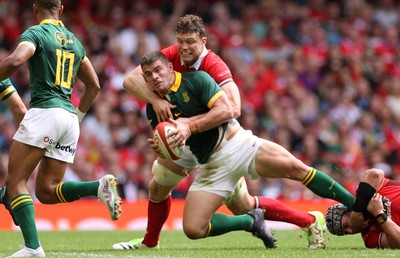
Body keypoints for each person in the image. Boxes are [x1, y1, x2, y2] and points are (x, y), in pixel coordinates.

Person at [113, 14, 329, 250]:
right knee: (160, 185)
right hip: (190, 143)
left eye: (190, 42)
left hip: (220, 139)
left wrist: (188, 125)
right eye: (181, 42)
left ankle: (307, 219)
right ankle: (150, 242)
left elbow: (233, 108)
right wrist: (157, 107)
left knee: (245, 203)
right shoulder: (171, 58)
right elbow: (131, 79)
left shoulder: (210, 67)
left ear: (202, 42)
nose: (184, 48)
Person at [136, 50, 355, 249]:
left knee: (297, 168)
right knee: (194, 229)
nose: (154, 77)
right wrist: (162, 148)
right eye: (148, 74)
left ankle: (357, 204)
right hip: (212, 165)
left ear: (170, 68)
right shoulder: (153, 109)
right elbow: (174, 146)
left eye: (158, 70)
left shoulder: (197, 81)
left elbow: (227, 110)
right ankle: (283, 221)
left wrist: (188, 126)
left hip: (238, 145)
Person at [0, 1, 122, 257]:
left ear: (35, 9)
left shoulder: (36, 33)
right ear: (61, 9)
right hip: (68, 117)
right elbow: (95, 86)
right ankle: (97, 187)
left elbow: (17, 59)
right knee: (46, 190)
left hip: (45, 111)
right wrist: (77, 118)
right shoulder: (76, 42)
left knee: (16, 183)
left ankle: (32, 248)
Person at [326, 168, 400, 249]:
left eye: (346, 225)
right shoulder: (370, 238)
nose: (350, 231)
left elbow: (374, 173)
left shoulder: (365, 193)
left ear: (350, 210)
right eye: (346, 232)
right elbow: (397, 244)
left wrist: (357, 211)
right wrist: (379, 214)